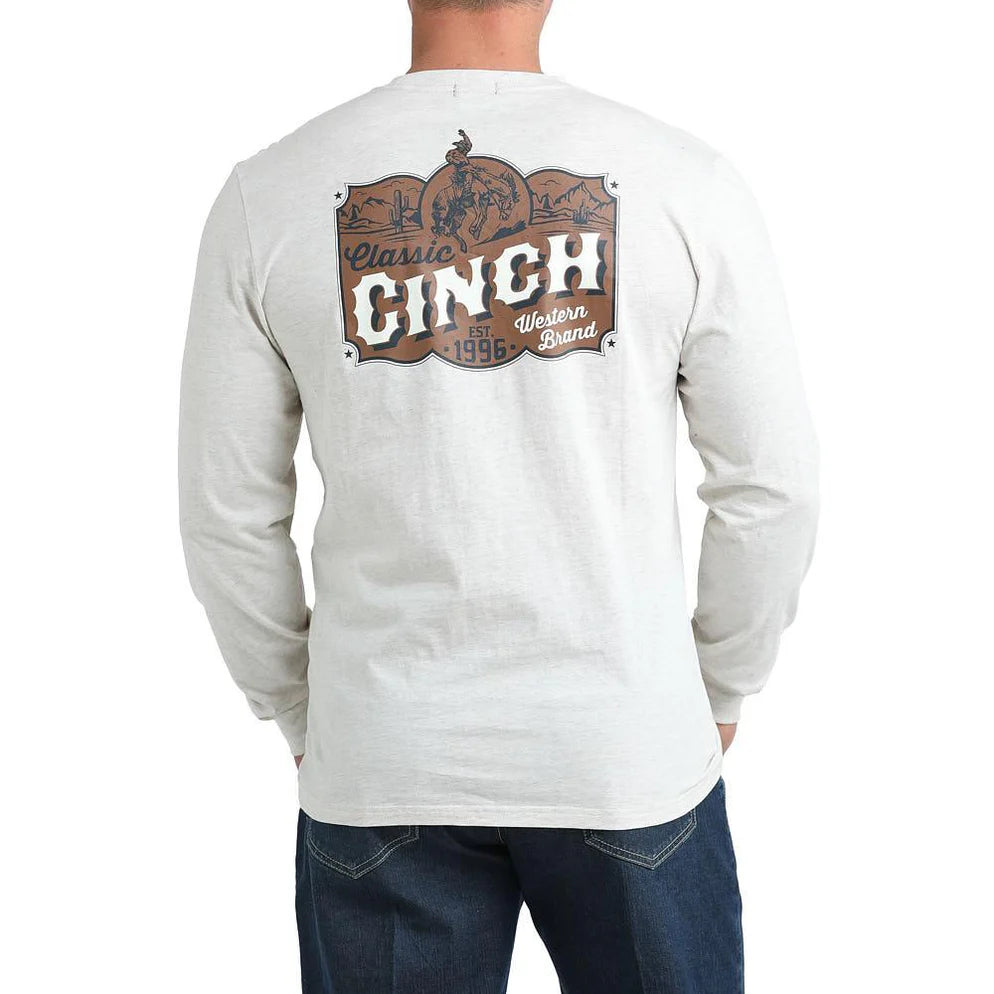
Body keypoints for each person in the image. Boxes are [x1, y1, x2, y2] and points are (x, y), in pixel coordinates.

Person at [178, 1, 819, 991]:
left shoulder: (269, 195)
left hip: (386, 749)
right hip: (623, 745)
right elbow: (771, 485)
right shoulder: (685, 182)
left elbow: (225, 511)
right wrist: (721, 686)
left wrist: (302, 711)